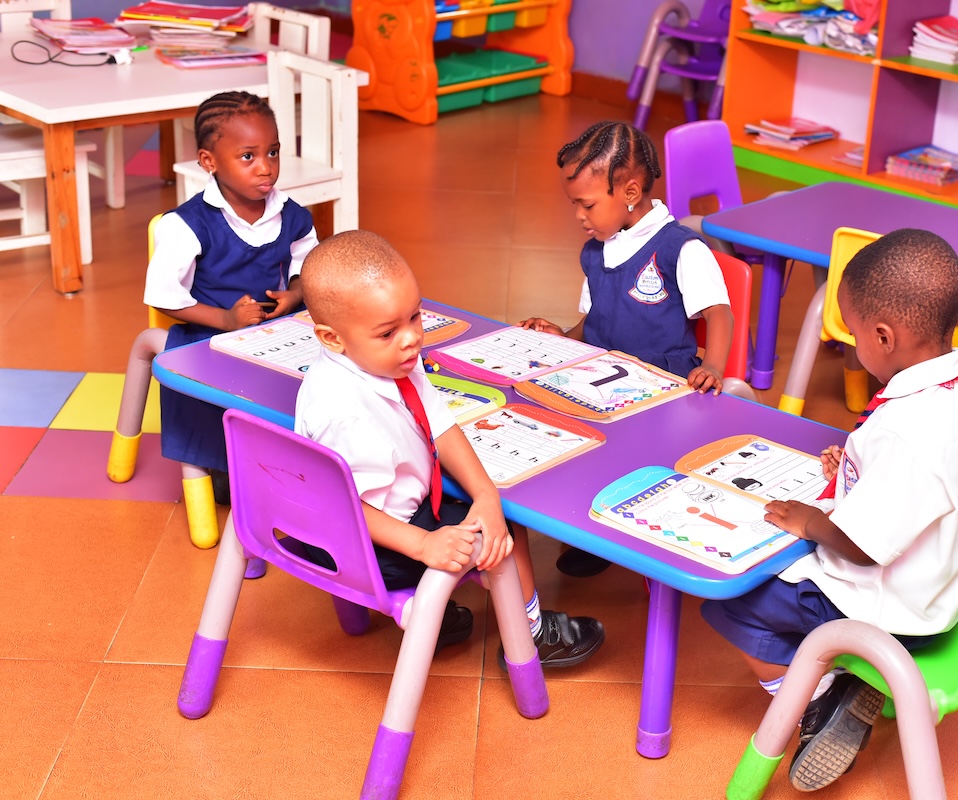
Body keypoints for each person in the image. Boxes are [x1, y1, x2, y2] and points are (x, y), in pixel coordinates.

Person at [701, 229, 958, 792]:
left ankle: (819, 698)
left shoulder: (904, 430)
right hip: (945, 589)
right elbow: (943, 487)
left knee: (737, 598)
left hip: (888, 612)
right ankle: (844, 683)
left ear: (884, 336)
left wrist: (809, 520)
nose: (848, 346)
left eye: (852, 333)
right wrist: (860, 471)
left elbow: (864, 546)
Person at [295, 230, 605, 666]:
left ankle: (438, 619)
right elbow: (345, 508)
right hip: (368, 544)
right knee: (507, 533)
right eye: (388, 332)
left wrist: (485, 494)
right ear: (331, 338)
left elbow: (439, 423)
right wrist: (423, 545)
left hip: (392, 514)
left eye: (415, 317)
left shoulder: (385, 358)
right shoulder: (342, 412)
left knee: (489, 505)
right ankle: (533, 635)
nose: (411, 339)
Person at [519, 120, 736, 578]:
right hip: (604, 380)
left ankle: (639, 532)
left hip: (662, 384)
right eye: (575, 204)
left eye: (587, 204)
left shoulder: (680, 249)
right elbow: (592, 319)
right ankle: (594, 534)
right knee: (575, 443)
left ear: (631, 193)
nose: (579, 215)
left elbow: (719, 313)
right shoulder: (596, 251)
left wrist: (713, 366)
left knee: (630, 455)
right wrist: (562, 335)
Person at [144, 91, 318, 502]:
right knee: (209, 392)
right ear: (209, 161)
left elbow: (308, 266)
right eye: (248, 157)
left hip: (275, 328)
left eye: (272, 152)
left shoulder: (291, 213)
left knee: (330, 368)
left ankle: (309, 459)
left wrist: (294, 295)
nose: (266, 168)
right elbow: (164, 298)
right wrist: (225, 320)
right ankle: (223, 466)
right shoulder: (185, 225)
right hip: (210, 331)